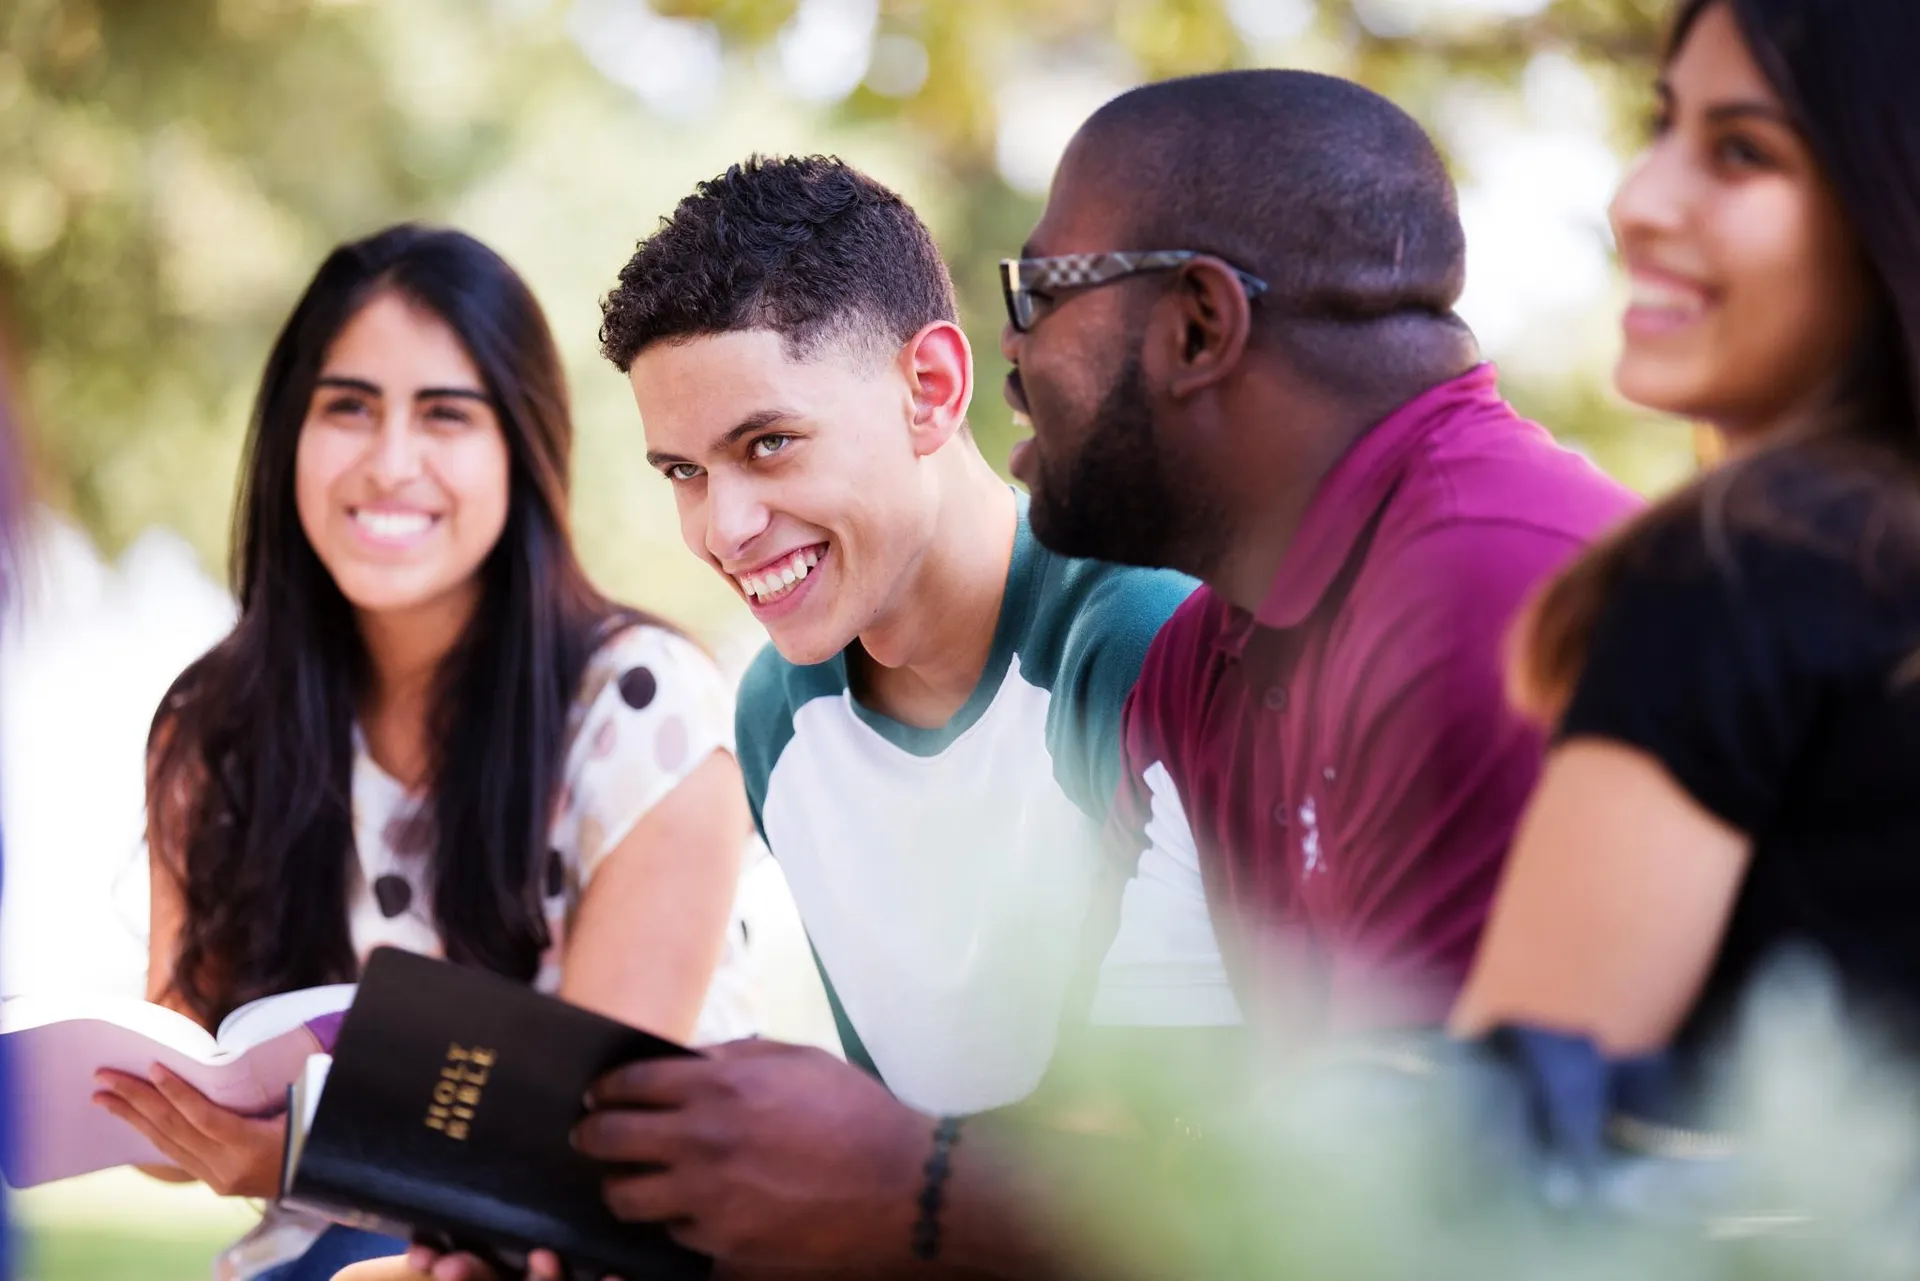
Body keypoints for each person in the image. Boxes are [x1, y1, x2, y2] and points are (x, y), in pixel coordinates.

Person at [389, 157, 1216, 1281]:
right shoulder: (779, 712)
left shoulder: (1139, 647)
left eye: (767, 444)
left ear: (930, 387)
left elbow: (1176, 1178)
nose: (724, 527)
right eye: (683, 470)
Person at [92, 224, 756, 1281]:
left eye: (445, 415)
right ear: (289, 438)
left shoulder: (641, 704)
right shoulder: (215, 726)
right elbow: (181, 1120)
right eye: (348, 407)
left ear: (520, 448)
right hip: (321, 1249)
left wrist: (303, 1152)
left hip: (585, 1243)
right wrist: (159, 1104)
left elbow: (600, 1129)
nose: (390, 463)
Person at [1453, 0, 1920, 1061]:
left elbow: (1526, 1144)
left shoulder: (1750, 566)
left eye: (1742, 152)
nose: (1639, 200)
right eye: (1663, 128)